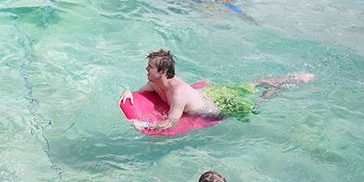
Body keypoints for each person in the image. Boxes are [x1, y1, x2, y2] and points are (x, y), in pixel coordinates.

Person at [123, 50, 315, 131]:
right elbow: (139, 93)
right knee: (250, 85)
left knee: (256, 103)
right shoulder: (156, 82)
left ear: (163, 72)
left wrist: (145, 125)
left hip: (215, 108)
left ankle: (284, 87)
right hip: (208, 94)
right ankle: (276, 81)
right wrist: (128, 92)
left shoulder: (178, 93)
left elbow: (171, 123)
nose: (146, 69)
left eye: (150, 67)